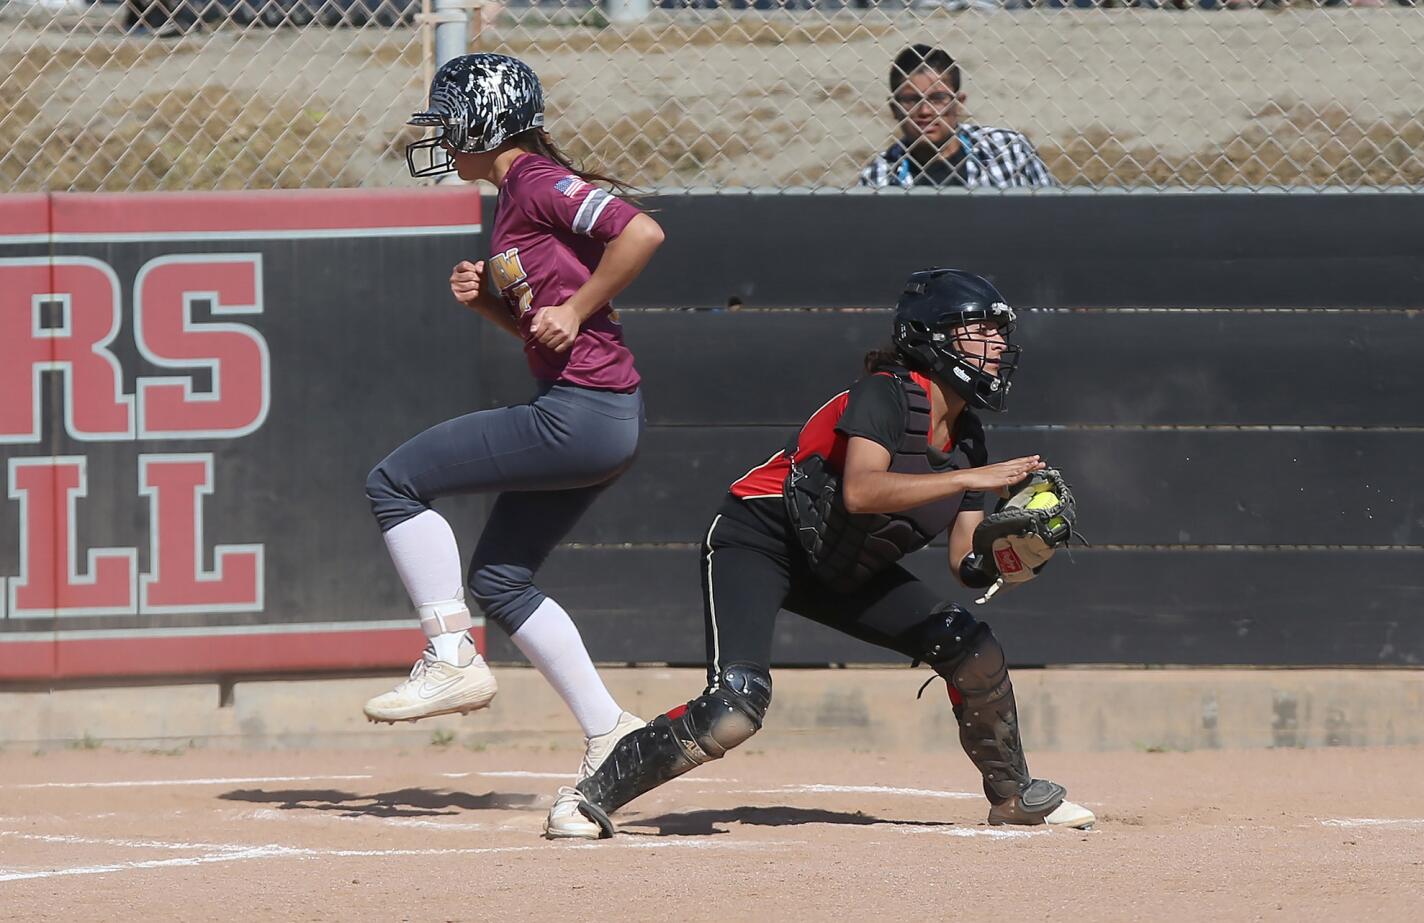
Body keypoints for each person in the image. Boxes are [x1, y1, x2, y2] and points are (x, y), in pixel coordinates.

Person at [566, 269, 1095, 838]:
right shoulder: (886, 394)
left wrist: (1011, 554)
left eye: (998, 333)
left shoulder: (969, 439)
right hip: (759, 541)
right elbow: (862, 491)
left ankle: (1014, 796)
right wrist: (977, 477)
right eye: (978, 332)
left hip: (841, 564)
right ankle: (586, 798)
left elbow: (964, 563)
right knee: (736, 707)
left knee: (970, 645)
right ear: (931, 338)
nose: (995, 346)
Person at [362, 53, 665, 839]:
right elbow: (546, 325)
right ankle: (611, 732)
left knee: (395, 481)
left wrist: (587, 301)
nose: (437, 139)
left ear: (482, 122)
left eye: (445, 122)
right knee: (500, 577)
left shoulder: (532, 179)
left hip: (582, 412)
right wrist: (490, 310)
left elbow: (641, 231)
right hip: (593, 409)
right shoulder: (512, 197)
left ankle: (450, 653)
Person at [860, 44, 1054, 190]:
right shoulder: (879, 177)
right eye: (911, 100)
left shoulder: (1009, 150)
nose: (925, 111)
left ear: (959, 103)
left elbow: (1053, 215)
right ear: (895, 109)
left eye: (937, 98)